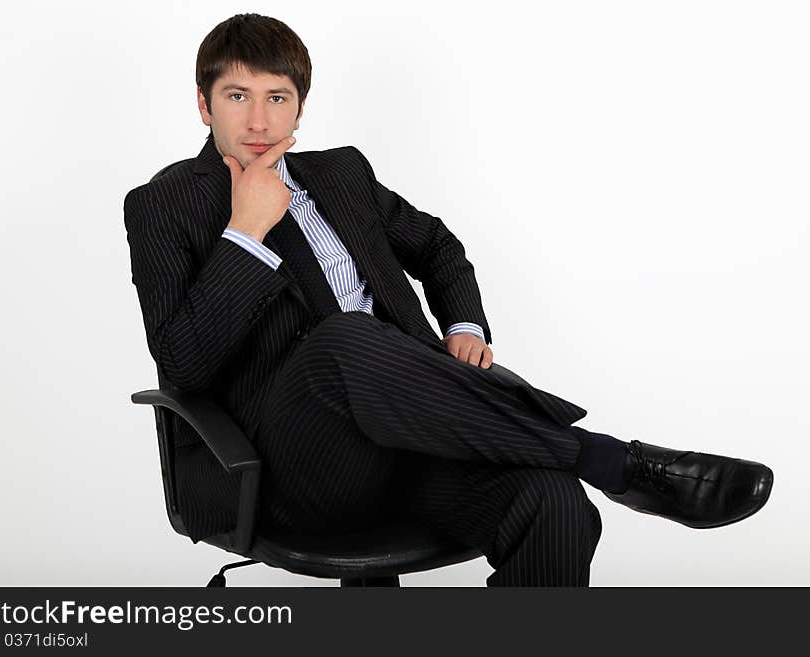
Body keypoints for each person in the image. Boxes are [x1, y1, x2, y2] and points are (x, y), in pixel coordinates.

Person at [123, 13, 773, 586]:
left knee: (554, 505)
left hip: (410, 438)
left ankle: (583, 468)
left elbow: (436, 247)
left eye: (277, 97)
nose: (259, 120)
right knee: (346, 338)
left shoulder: (341, 172)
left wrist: (463, 325)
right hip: (289, 469)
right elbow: (183, 364)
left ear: (300, 110)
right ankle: (613, 458)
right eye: (237, 96)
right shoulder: (164, 204)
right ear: (205, 107)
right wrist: (246, 235)